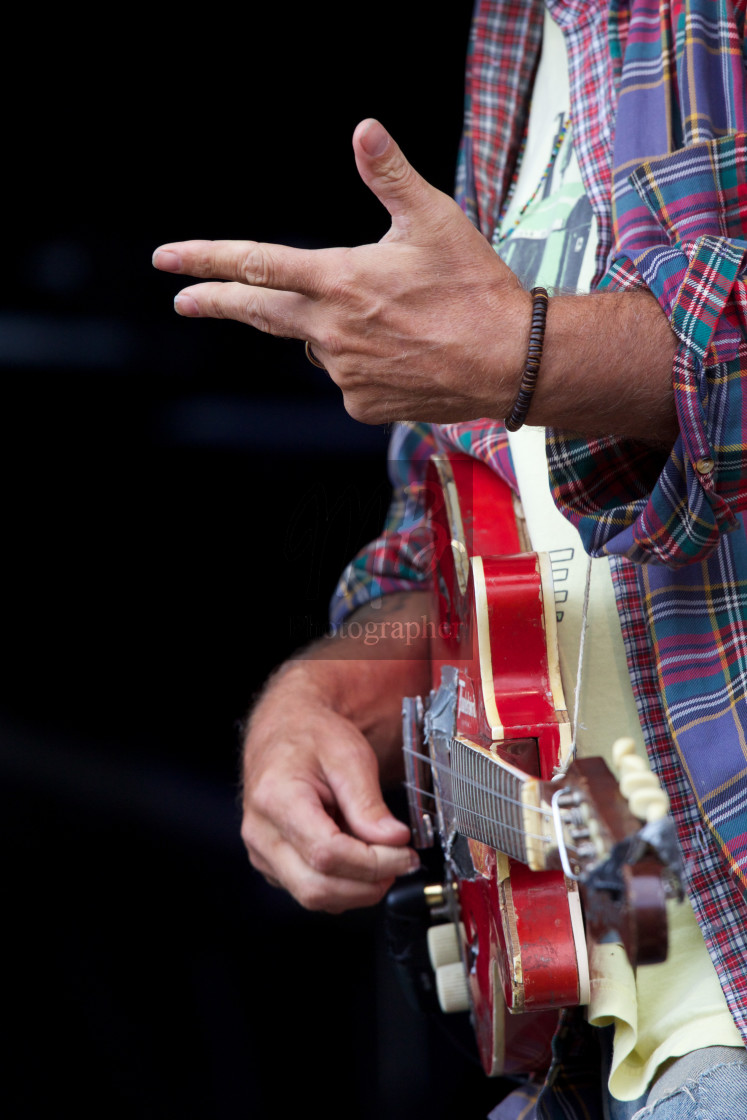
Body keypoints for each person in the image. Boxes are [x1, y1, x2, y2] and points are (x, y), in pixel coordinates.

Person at [152, 2, 747, 1116]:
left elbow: (520, 355)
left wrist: (532, 348)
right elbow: (464, 548)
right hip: (619, 994)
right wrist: (315, 701)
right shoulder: (518, 39)